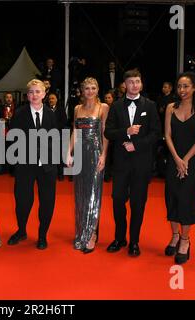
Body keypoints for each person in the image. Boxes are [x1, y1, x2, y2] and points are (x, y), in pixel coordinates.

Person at [104, 69, 161, 257]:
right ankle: (120, 238)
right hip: (120, 164)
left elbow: (156, 134)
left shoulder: (150, 105)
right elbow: (108, 132)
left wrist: (136, 144)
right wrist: (126, 132)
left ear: (141, 84)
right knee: (118, 201)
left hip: (141, 164)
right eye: (131, 82)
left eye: (137, 81)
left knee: (138, 204)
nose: (134, 85)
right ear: (124, 85)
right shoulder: (116, 106)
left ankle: (134, 242)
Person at [7, 79, 58, 250]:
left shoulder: (52, 115)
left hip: (47, 167)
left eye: (38, 92)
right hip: (25, 165)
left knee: (47, 202)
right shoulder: (20, 114)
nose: (34, 95)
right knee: (22, 201)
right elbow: (12, 139)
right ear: (27, 95)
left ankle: (42, 235)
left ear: (44, 94)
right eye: (31, 92)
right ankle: (21, 231)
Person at [164, 72, 195, 265]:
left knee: (186, 198)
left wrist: (186, 160)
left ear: (194, 88)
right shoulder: (170, 107)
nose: (182, 90)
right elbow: (167, 135)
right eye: (179, 86)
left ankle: (185, 240)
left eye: (186, 86)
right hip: (174, 159)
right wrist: (176, 159)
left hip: (192, 161)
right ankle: (175, 235)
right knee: (172, 196)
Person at [67, 77, 109, 253]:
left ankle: (91, 234)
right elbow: (75, 131)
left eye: (93, 88)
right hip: (80, 155)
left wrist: (104, 155)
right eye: (87, 88)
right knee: (81, 193)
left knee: (94, 193)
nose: (90, 91)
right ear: (82, 91)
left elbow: (104, 133)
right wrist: (69, 152)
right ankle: (82, 231)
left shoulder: (103, 107)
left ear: (98, 89)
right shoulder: (77, 108)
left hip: (95, 153)